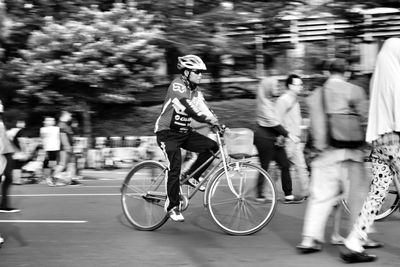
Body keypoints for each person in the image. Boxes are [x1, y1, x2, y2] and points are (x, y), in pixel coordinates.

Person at [296, 58, 373, 256]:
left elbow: (313, 127)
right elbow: (366, 120)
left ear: (327, 73)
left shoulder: (315, 95)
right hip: (351, 154)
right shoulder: (355, 91)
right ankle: (358, 239)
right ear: (346, 72)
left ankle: (309, 239)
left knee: (319, 198)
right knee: (357, 198)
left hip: (324, 154)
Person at [341, 37, 400, 263]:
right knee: (378, 193)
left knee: (377, 193)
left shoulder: (379, 78)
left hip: (378, 144)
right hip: (395, 143)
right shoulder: (396, 79)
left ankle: (354, 241)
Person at [154, 54, 219, 222]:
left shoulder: (196, 92)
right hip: (166, 133)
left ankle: (192, 175)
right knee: (174, 165)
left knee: (212, 147)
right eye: (197, 71)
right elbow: (186, 105)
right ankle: (172, 207)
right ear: (186, 72)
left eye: (201, 72)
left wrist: (217, 123)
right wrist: (205, 119)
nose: (200, 75)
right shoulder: (177, 85)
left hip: (184, 133)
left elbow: (205, 109)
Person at [254, 76, 304, 204]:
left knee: (285, 165)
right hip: (263, 139)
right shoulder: (264, 103)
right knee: (264, 167)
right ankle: (260, 195)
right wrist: (288, 135)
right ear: (268, 88)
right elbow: (274, 122)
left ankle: (288, 195)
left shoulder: (270, 102)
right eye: (275, 86)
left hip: (273, 138)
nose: (277, 88)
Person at [276, 74, 310, 198]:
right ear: (290, 86)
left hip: (295, 140)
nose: (301, 87)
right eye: (298, 84)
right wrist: (282, 136)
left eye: (301, 84)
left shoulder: (294, 99)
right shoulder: (283, 100)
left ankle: (307, 192)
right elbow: (277, 120)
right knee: (279, 167)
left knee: (301, 166)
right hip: (287, 140)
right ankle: (265, 192)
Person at [0, 100, 20, 212]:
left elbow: (5, 138)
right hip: (2, 152)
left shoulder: (2, 121)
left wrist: (16, 150)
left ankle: (4, 205)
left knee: (9, 177)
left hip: (6, 151)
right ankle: (4, 205)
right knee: (6, 177)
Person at [55, 111, 81, 186]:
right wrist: (67, 146)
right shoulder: (61, 124)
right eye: (68, 115)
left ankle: (71, 180)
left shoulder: (66, 125)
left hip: (70, 147)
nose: (70, 116)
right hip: (64, 148)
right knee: (62, 164)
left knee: (72, 164)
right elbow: (62, 136)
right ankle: (54, 179)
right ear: (63, 116)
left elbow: (70, 136)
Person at [40, 117, 61, 184]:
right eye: (47, 120)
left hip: (52, 147)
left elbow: (42, 138)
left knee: (49, 163)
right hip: (49, 148)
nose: (48, 122)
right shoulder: (55, 129)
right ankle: (48, 177)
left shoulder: (56, 128)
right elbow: (42, 138)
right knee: (48, 163)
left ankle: (49, 177)